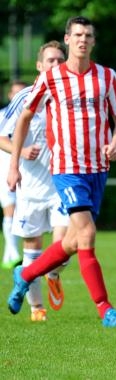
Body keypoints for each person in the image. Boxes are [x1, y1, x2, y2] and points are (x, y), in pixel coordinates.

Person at [6, 16, 116, 327]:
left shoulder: (107, 77)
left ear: (93, 41)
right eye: (77, 34)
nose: (83, 40)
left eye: (88, 35)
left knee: (75, 241)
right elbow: (24, 118)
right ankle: (105, 309)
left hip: (97, 169)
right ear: (67, 39)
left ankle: (25, 274)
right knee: (88, 233)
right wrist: (14, 163)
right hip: (66, 169)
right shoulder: (51, 79)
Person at [0, 41, 69, 322]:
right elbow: (2, 136)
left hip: (62, 185)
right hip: (30, 188)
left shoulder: (70, 97)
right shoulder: (26, 97)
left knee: (66, 247)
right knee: (32, 250)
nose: (56, 65)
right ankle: (36, 308)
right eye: (50, 61)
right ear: (40, 66)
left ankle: (52, 272)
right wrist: (19, 155)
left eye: (59, 61)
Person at [0, 80, 26, 270]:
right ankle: (13, 252)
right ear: (10, 95)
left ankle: (10, 254)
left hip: (25, 170)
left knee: (20, 211)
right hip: (4, 169)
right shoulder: (2, 116)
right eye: (15, 93)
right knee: (10, 208)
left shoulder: (30, 116)